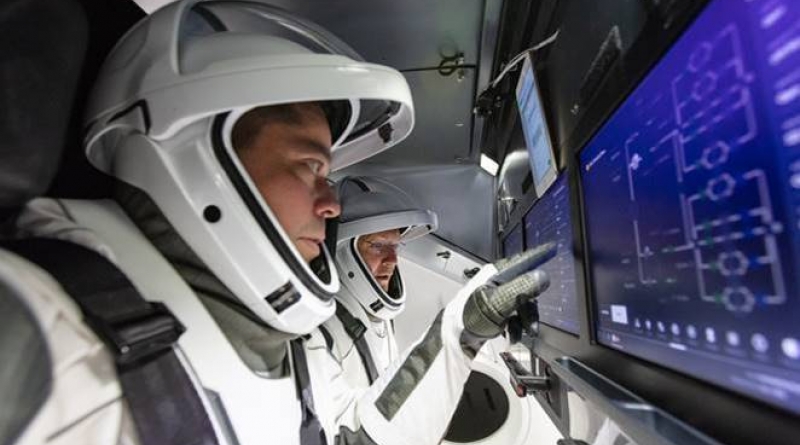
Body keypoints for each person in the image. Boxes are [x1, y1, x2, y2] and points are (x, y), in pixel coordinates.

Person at [7, 1, 555, 444]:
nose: (331, 205)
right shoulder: (36, 330)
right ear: (197, 160)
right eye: (311, 166)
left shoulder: (287, 343)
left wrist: (460, 330)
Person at [319, 176, 439, 389]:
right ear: (342, 250)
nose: (392, 260)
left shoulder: (379, 316)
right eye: (377, 246)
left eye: (395, 246)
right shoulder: (326, 331)